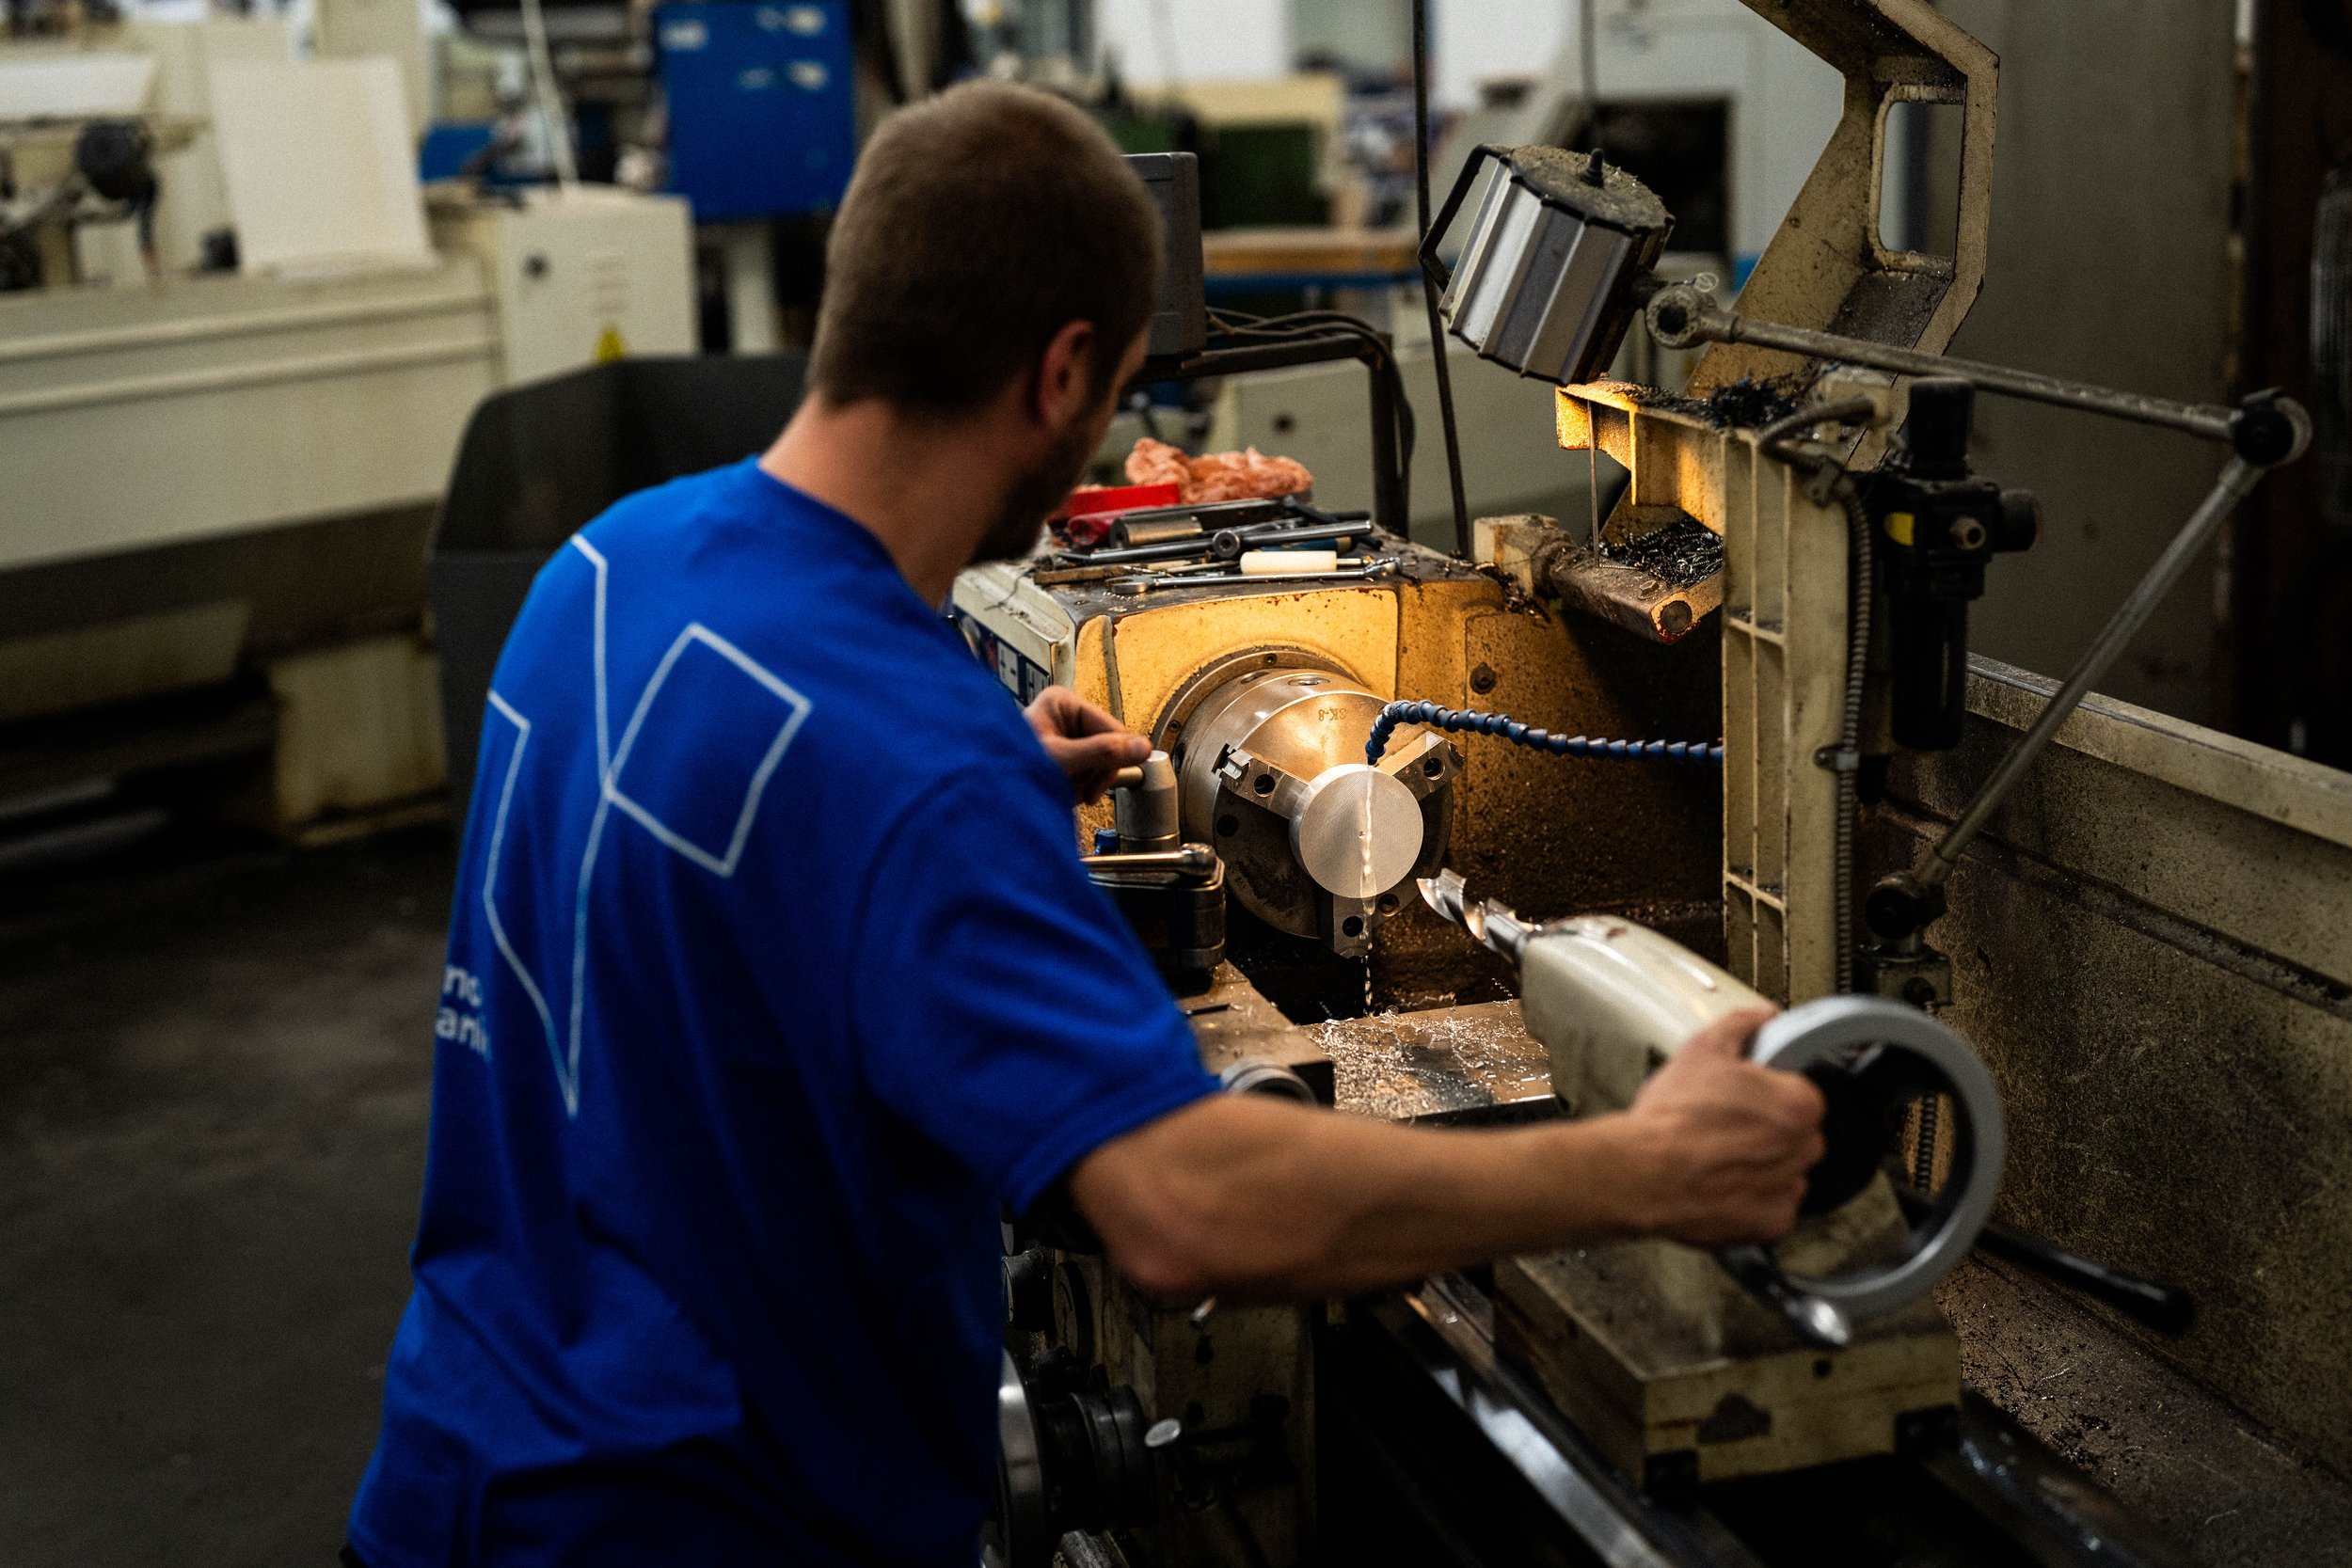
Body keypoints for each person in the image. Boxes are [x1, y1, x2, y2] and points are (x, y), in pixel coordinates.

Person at [346, 82, 1825, 1568]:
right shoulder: (910, 761)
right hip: (708, 1527)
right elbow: (1184, 1210)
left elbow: (704, 869)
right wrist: (1644, 1165)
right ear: (1061, 371)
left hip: (460, 1471)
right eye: (1112, 391)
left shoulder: (607, 570)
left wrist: (963, 793)